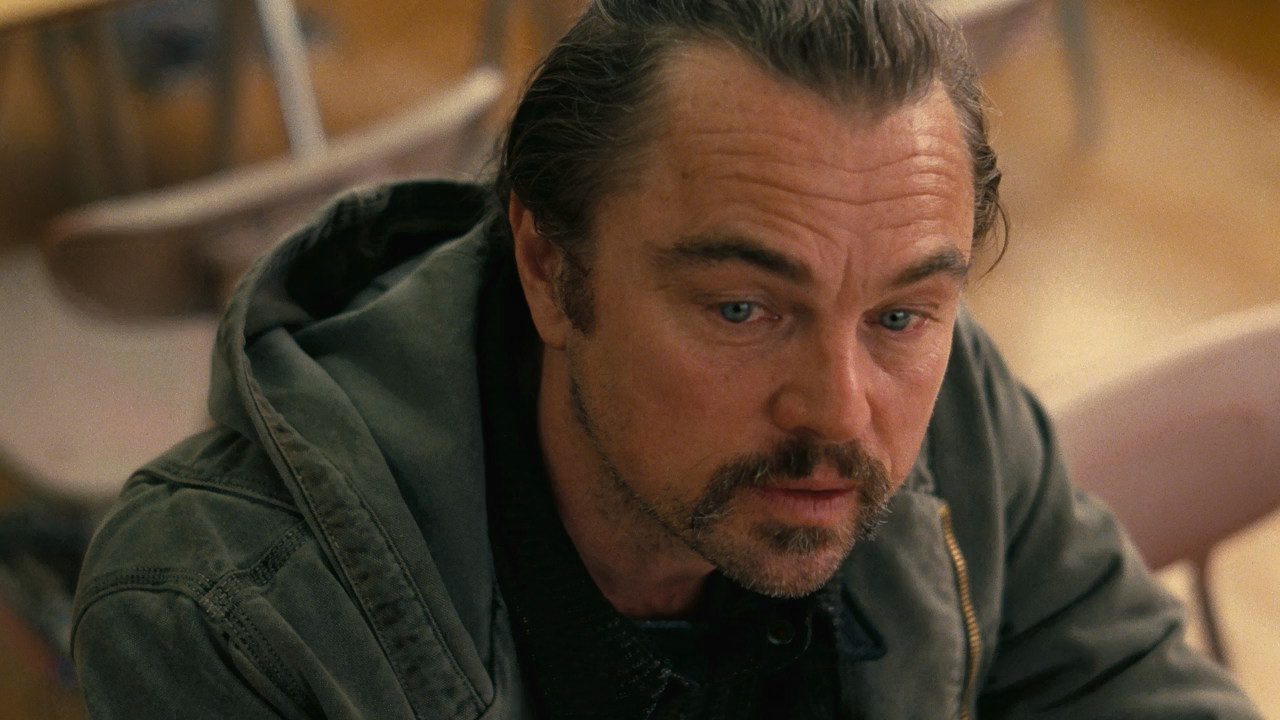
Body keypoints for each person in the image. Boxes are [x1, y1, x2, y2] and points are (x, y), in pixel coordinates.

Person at [71, 0, 1261, 717]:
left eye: (901, 314)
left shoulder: (956, 405)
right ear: (549, 268)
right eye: (743, 308)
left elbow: (1118, 678)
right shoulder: (230, 619)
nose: (839, 409)